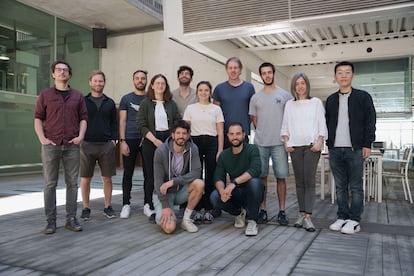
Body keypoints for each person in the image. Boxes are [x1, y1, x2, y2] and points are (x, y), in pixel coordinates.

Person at [34, 60, 88, 234]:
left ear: (69, 75)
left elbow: (83, 118)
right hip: (51, 144)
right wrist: (42, 138)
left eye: (65, 70)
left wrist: (80, 136)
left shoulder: (78, 96)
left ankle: (71, 219)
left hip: (72, 145)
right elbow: (38, 118)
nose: (62, 72)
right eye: (59, 70)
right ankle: (50, 221)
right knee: (50, 183)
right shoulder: (45, 95)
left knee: (72, 183)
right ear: (53, 74)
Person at [326, 61, 376, 234]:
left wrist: (367, 144)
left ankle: (354, 219)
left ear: (352, 75)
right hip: (335, 149)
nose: (344, 75)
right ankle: (342, 216)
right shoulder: (331, 99)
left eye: (347, 72)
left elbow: (370, 122)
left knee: (355, 186)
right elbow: (327, 124)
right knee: (340, 186)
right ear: (335, 77)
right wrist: (328, 145)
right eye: (340, 72)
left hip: (355, 149)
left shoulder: (363, 97)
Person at [281, 73, 328, 232]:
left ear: (307, 85)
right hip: (295, 147)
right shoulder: (289, 104)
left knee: (309, 181)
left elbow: (322, 123)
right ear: (294, 86)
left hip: (311, 147)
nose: (300, 86)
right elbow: (285, 125)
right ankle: (301, 213)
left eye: (303, 83)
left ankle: (308, 217)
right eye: (297, 84)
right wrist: (287, 143)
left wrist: (319, 142)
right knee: (299, 182)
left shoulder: (315, 103)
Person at [249, 62, 293, 225]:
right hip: (260, 143)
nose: (267, 75)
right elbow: (255, 120)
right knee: (262, 178)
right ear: (261, 76)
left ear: (274, 74)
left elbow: (289, 119)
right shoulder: (255, 98)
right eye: (264, 73)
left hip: (280, 143)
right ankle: (263, 210)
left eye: (269, 72)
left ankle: (282, 211)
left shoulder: (285, 95)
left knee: (281, 177)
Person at [137, 74, 181, 222]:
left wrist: (170, 140)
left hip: (168, 140)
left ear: (166, 86)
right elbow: (141, 125)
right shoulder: (145, 103)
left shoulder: (171, 104)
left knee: (167, 174)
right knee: (150, 175)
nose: (160, 86)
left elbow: (177, 122)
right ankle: (148, 205)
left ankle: (165, 204)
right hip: (151, 140)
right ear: (152, 86)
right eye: (158, 83)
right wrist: (155, 140)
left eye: (163, 83)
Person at [210, 123, 264, 236]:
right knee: (215, 197)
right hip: (236, 193)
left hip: (252, 191)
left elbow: (255, 170)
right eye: (232, 134)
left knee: (255, 182)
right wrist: (222, 191)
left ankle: (252, 220)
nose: (235, 137)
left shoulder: (252, 149)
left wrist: (234, 183)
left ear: (244, 135)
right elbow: (218, 177)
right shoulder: (224, 155)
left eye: (238, 134)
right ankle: (239, 213)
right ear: (228, 136)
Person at [183, 81, 224, 224]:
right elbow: (186, 131)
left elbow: (220, 131)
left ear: (210, 92)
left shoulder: (216, 109)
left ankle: (208, 209)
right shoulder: (190, 108)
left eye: (206, 90)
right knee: (197, 176)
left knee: (211, 175)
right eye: (201, 90)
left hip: (212, 142)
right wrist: (186, 149)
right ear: (197, 92)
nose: (203, 93)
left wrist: (219, 150)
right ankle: (196, 208)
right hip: (195, 143)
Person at [153, 120, 204, 234]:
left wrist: (173, 182)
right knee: (169, 228)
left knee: (199, 184)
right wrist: (165, 206)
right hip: (164, 194)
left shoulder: (193, 148)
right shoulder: (161, 152)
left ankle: (186, 220)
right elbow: (158, 182)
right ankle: (168, 212)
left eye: (184, 133)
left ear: (188, 135)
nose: (181, 136)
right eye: (178, 133)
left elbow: (197, 172)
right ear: (173, 134)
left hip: (180, 190)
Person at [79, 71, 118, 220]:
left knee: (107, 178)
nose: (98, 84)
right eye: (95, 81)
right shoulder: (82, 101)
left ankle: (108, 206)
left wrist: (114, 140)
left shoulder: (109, 102)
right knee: (85, 179)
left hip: (106, 145)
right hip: (86, 144)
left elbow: (114, 123)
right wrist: (80, 138)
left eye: (100, 81)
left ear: (104, 83)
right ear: (90, 82)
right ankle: (86, 208)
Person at [118, 70, 148, 219]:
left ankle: (148, 204)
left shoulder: (151, 98)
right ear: (133, 80)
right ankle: (126, 204)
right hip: (130, 139)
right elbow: (122, 121)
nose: (140, 80)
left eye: (143, 78)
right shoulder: (126, 98)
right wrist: (122, 141)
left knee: (149, 173)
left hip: (147, 139)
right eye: (137, 78)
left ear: (146, 80)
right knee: (128, 173)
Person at [212, 57, 255, 148]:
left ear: (240, 70)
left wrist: (244, 124)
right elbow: (215, 112)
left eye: (235, 68)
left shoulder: (249, 88)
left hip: (242, 134)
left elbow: (252, 112)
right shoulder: (219, 88)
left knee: (243, 162)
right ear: (227, 70)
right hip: (224, 135)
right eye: (230, 68)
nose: (233, 70)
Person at [172, 65, 197, 216]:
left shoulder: (197, 94)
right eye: (182, 74)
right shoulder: (172, 95)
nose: (184, 76)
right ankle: (181, 205)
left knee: (193, 171)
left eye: (187, 74)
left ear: (191, 78)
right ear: (178, 77)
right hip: (178, 138)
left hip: (194, 137)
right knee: (181, 169)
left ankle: (194, 204)